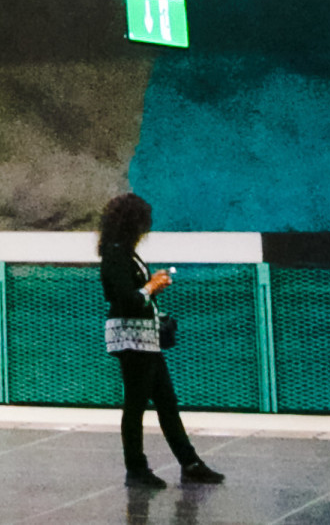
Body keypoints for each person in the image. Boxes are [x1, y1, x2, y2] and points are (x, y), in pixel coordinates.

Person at [99, 191, 224, 488]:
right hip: (133, 341)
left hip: (144, 339)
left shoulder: (124, 252)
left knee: (165, 401)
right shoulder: (117, 254)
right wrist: (151, 287)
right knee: (136, 404)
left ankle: (189, 461)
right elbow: (125, 299)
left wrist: (149, 287)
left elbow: (129, 294)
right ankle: (138, 468)